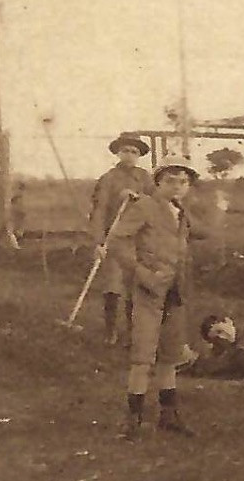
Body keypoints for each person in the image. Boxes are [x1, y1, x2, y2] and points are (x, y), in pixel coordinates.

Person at [104, 156, 208, 440]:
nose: (177, 187)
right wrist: (141, 273)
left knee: (170, 355)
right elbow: (116, 240)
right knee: (143, 356)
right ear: (158, 182)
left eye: (183, 182)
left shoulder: (181, 211)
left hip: (175, 291)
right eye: (170, 181)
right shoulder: (145, 207)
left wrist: (218, 207)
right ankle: (133, 419)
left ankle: (168, 415)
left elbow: (205, 232)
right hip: (148, 291)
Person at [88, 133, 154, 344]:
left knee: (136, 285)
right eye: (125, 150)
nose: (129, 155)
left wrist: (138, 197)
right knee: (113, 284)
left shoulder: (144, 178)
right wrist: (99, 242)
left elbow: (156, 202)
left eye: (134, 152)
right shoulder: (108, 178)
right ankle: (111, 332)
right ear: (118, 152)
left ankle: (133, 332)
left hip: (138, 240)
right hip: (114, 238)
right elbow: (99, 211)